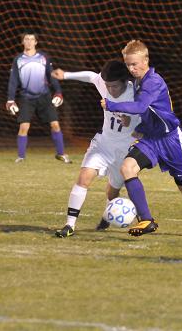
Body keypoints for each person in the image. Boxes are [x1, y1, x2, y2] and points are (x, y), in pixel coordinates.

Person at [100, 40, 182, 238]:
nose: (131, 68)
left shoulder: (153, 82)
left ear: (146, 60)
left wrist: (111, 105)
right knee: (127, 168)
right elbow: (149, 112)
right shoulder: (137, 81)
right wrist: (139, 126)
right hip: (151, 139)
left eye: (135, 64)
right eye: (128, 64)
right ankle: (146, 220)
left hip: (172, 142)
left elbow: (142, 106)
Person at [52, 60, 140, 238]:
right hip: (103, 144)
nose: (111, 90)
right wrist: (66, 75)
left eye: (114, 86)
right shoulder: (104, 83)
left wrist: (132, 122)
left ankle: (107, 217)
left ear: (125, 81)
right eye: (108, 86)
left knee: (112, 190)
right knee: (84, 178)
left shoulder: (136, 94)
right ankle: (69, 225)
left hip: (124, 150)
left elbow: (145, 118)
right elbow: (92, 76)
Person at [6, 32, 71, 164]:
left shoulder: (43, 57)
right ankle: (21, 157)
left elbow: (51, 75)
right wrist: (10, 99)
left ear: (36, 42)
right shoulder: (18, 59)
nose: (29, 42)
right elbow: (13, 80)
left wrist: (58, 92)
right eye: (26, 39)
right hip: (26, 98)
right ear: (22, 42)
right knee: (24, 127)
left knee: (55, 125)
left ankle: (61, 154)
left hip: (44, 97)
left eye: (32, 39)